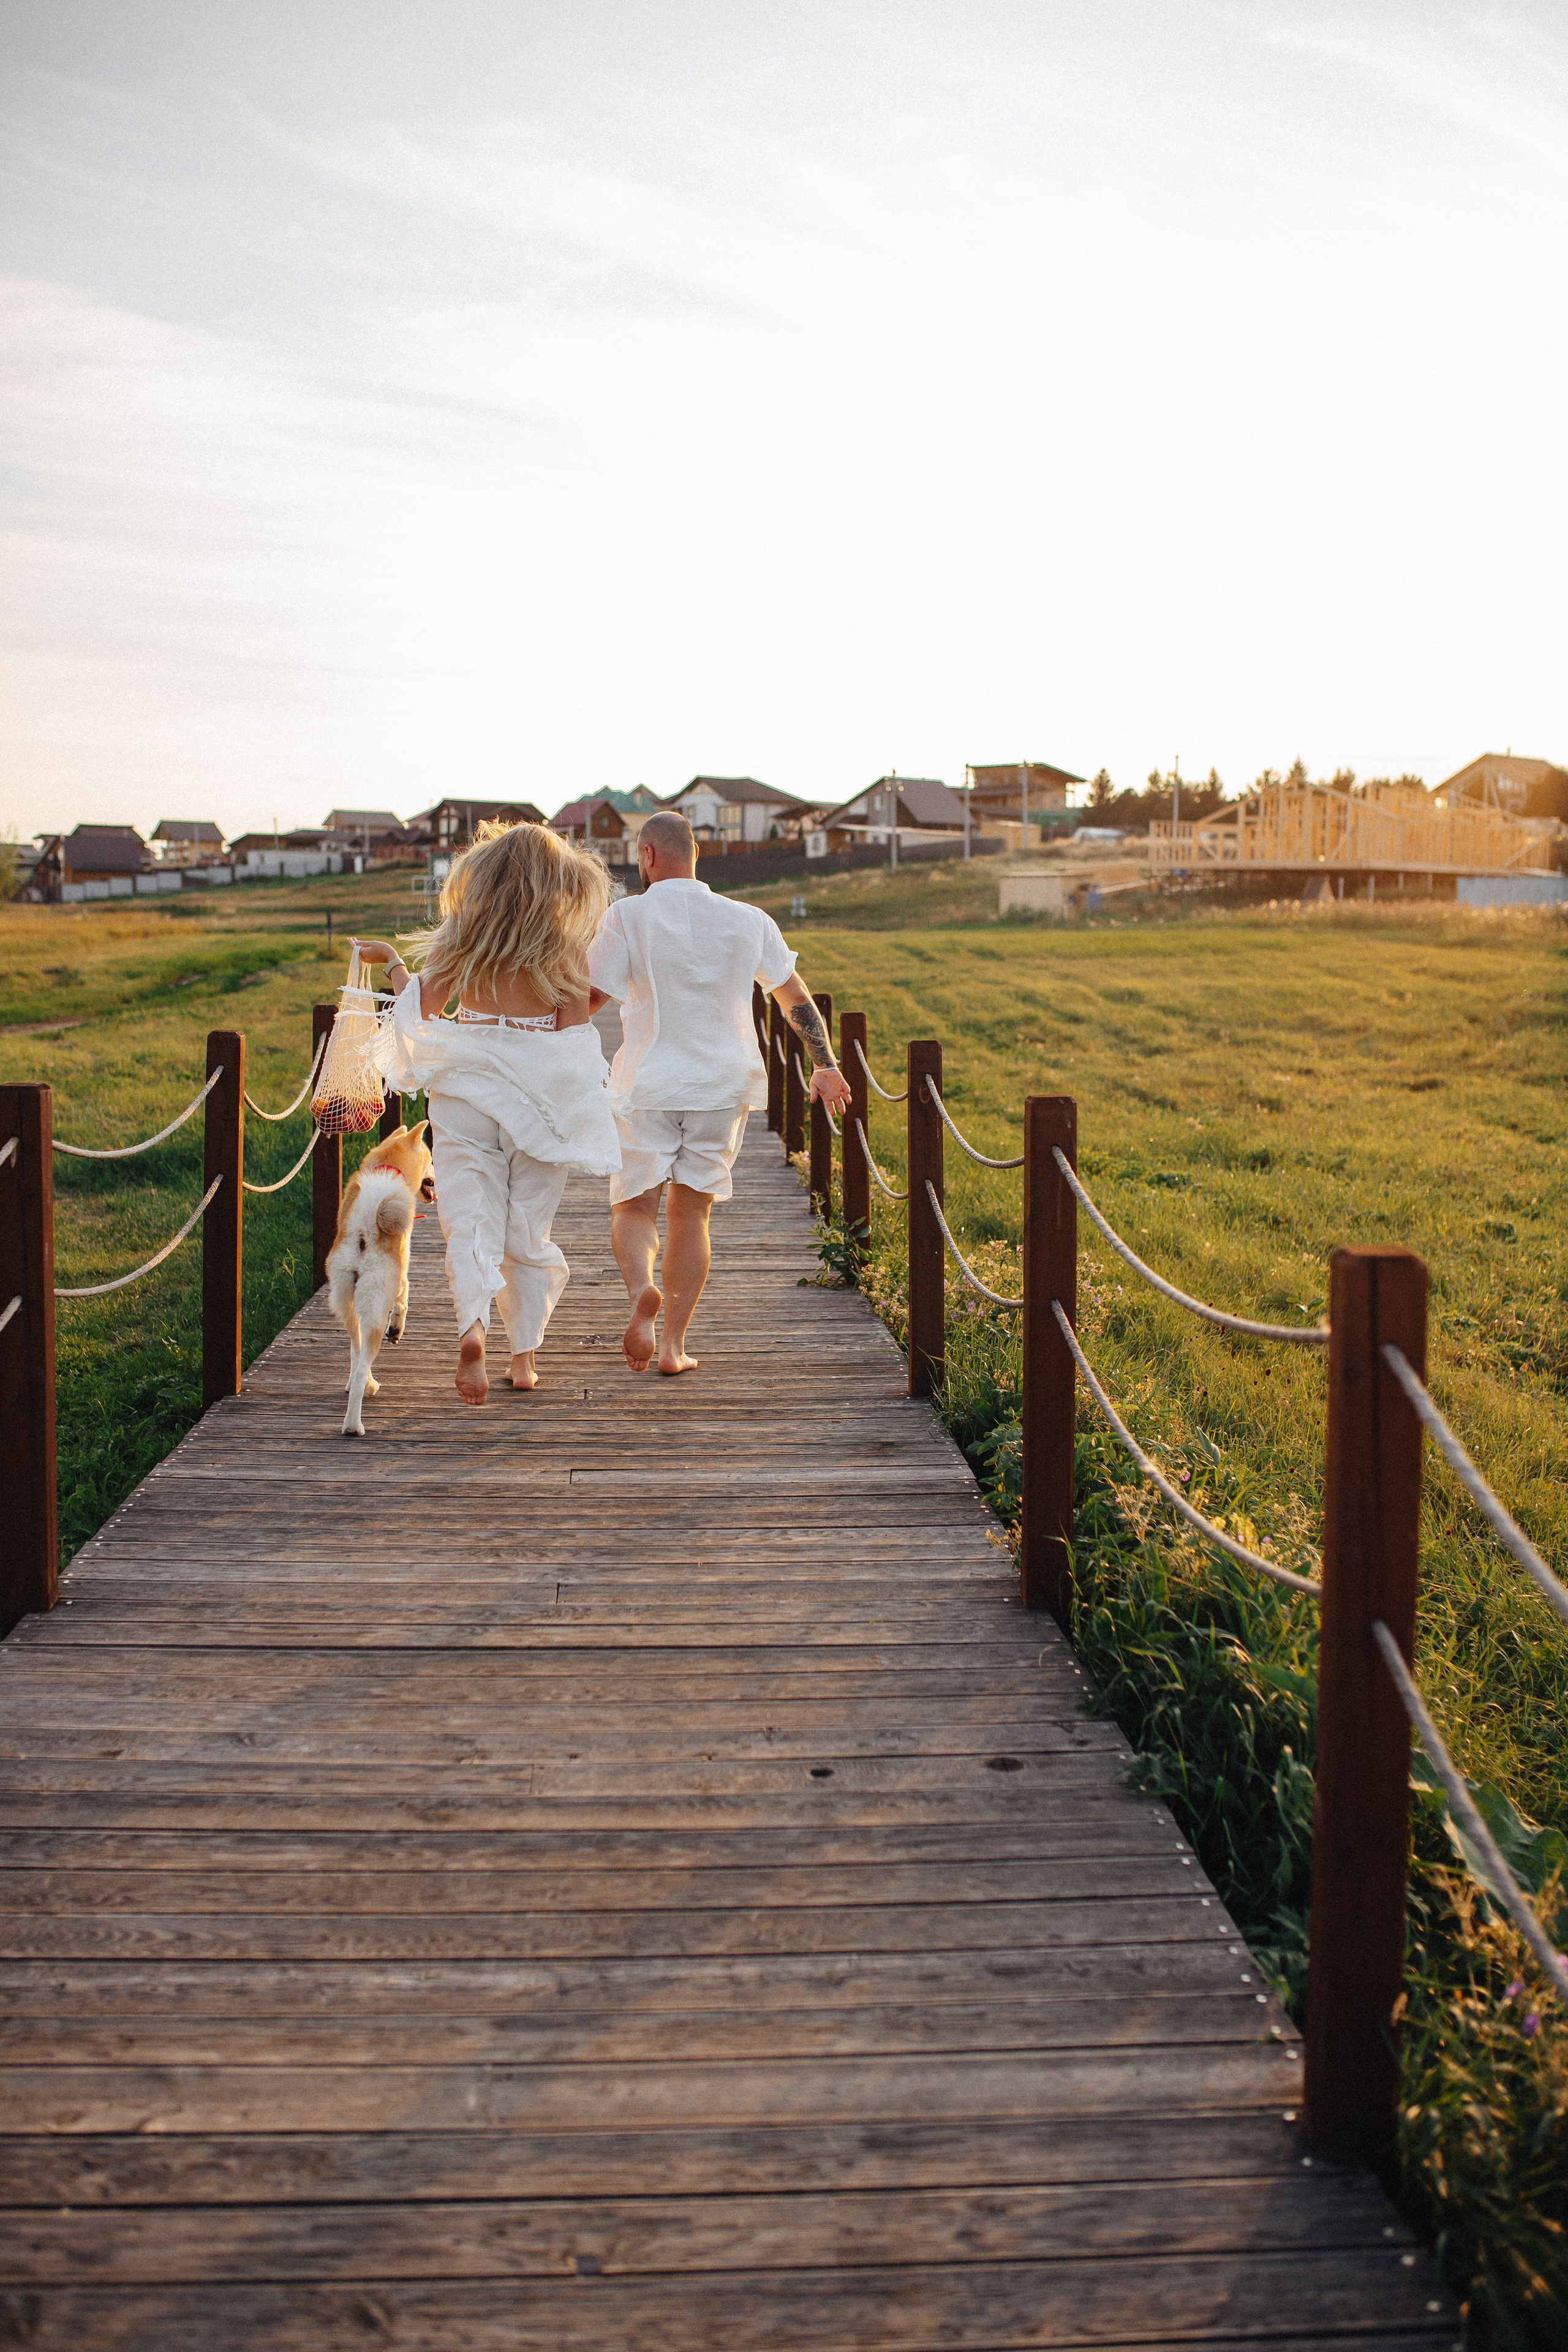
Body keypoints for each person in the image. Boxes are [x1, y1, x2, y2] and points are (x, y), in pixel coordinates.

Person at [352, 821, 619, 1404]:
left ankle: (473, 1331)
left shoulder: (463, 934)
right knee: (526, 1230)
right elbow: (573, 1035)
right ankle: (523, 1360)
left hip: (466, 1089)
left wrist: (396, 963)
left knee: (468, 1220)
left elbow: (419, 1007)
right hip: (537, 1099)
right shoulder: (565, 943)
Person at [588, 810, 853, 1375]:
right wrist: (825, 1065)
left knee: (634, 1205)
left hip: (648, 1083)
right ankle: (674, 1347)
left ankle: (641, 1291)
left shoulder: (626, 916)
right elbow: (794, 999)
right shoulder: (749, 919)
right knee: (693, 1215)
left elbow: (588, 1002)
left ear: (648, 856)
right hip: (721, 1085)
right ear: (696, 856)